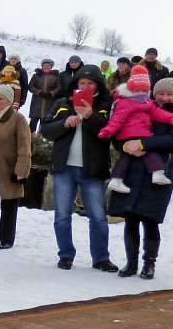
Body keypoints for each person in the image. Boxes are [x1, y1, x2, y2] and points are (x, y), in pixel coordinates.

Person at [107, 77, 173, 279]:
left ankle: (149, 263)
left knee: (150, 220)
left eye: (169, 94)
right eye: (160, 93)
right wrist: (126, 145)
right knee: (130, 219)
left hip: (158, 172)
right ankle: (131, 262)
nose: (164, 97)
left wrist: (143, 144)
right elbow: (120, 131)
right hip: (132, 168)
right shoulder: (140, 106)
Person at [41, 64, 118, 271]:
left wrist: (90, 116)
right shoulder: (63, 103)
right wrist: (64, 123)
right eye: (81, 83)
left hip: (92, 170)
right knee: (62, 215)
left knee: (98, 217)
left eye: (90, 83)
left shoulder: (105, 106)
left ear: (98, 86)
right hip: (64, 168)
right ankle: (65, 255)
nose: (85, 86)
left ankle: (101, 258)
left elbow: (110, 133)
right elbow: (45, 130)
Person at [99, 66, 173, 194]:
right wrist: (108, 130)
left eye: (144, 89)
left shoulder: (147, 103)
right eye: (138, 89)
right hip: (130, 134)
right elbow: (117, 119)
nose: (141, 92)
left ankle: (116, 179)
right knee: (148, 151)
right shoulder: (125, 102)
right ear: (131, 88)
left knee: (126, 157)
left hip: (141, 133)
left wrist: (170, 118)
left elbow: (157, 113)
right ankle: (157, 173)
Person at [0, 83, 32, 249]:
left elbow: (25, 146)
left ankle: (7, 239)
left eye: (1, 98)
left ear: (9, 100)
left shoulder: (18, 119)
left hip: (9, 169)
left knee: (9, 205)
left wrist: (21, 170)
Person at [27, 58, 60, 135]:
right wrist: (39, 92)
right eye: (44, 65)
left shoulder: (55, 77)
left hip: (48, 103)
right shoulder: (36, 75)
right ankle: (30, 139)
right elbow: (30, 86)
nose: (46, 67)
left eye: (48, 65)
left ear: (51, 67)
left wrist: (51, 93)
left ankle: (40, 140)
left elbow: (58, 87)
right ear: (42, 66)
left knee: (44, 124)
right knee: (32, 124)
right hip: (36, 103)